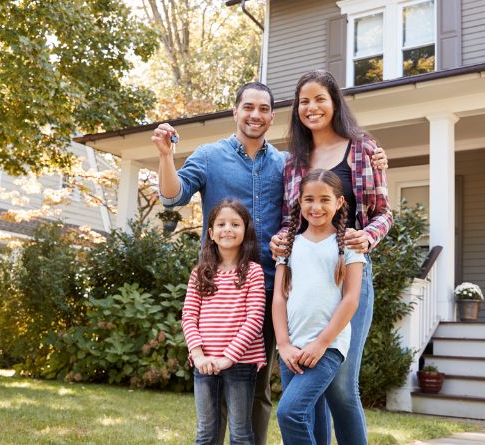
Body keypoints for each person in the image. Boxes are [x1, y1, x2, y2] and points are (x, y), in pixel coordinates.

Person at [152, 81, 387, 445]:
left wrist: (377, 165)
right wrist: (166, 156)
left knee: (260, 390)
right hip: (227, 290)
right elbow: (172, 197)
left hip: (279, 285)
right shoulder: (211, 156)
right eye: (248, 107)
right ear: (235, 111)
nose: (255, 115)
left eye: (263, 109)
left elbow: (308, 213)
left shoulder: (286, 162)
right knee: (216, 387)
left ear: (273, 116)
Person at [271, 69, 392, 444]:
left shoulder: (364, 149)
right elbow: (289, 221)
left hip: (348, 273)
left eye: (320, 99)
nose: (312, 107)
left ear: (335, 102)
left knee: (340, 387)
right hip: (305, 279)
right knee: (312, 391)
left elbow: (383, 213)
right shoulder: (293, 161)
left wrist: (364, 237)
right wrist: (279, 241)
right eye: (304, 101)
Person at [272, 169, 365, 445]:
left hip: (327, 347)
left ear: (339, 203)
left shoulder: (349, 243)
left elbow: (351, 299)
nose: (316, 207)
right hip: (292, 349)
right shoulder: (289, 245)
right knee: (310, 418)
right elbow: (279, 297)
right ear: (299, 202)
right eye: (309, 199)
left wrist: (321, 343)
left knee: (290, 412)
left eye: (325, 199)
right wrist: (284, 344)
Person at [183, 199, 267, 445]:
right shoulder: (200, 273)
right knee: (206, 434)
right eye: (221, 224)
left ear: (245, 230)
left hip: (240, 362)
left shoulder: (253, 272)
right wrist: (198, 355)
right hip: (205, 363)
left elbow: (254, 319)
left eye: (235, 224)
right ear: (211, 233)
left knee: (240, 434)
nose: (227, 229)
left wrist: (229, 357)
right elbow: (189, 316)